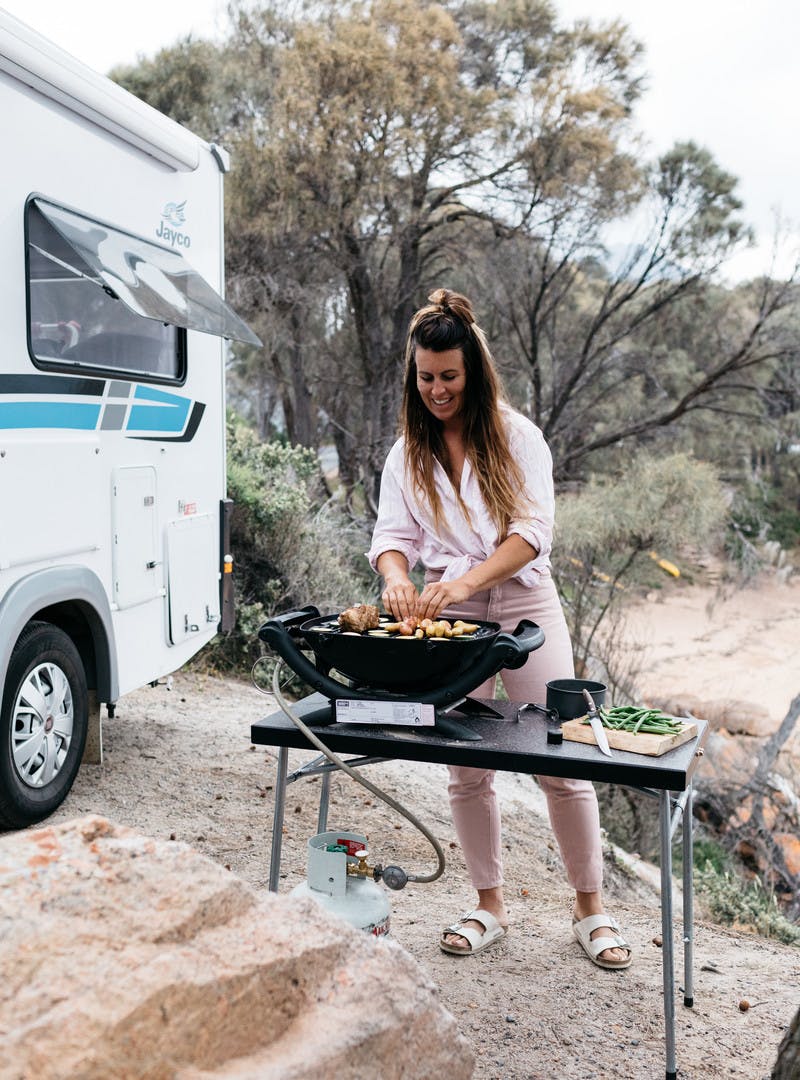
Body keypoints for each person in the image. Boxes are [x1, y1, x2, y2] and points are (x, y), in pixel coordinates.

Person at [367, 288, 631, 968]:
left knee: (560, 760)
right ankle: (489, 905)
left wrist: (465, 582)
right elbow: (391, 537)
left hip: (523, 603)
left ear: (474, 372)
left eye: (449, 376)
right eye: (425, 378)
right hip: (447, 612)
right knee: (465, 764)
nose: (437, 390)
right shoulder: (408, 452)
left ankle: (590, 911)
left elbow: (531, 534)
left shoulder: (518, 438)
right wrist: (397, 578)